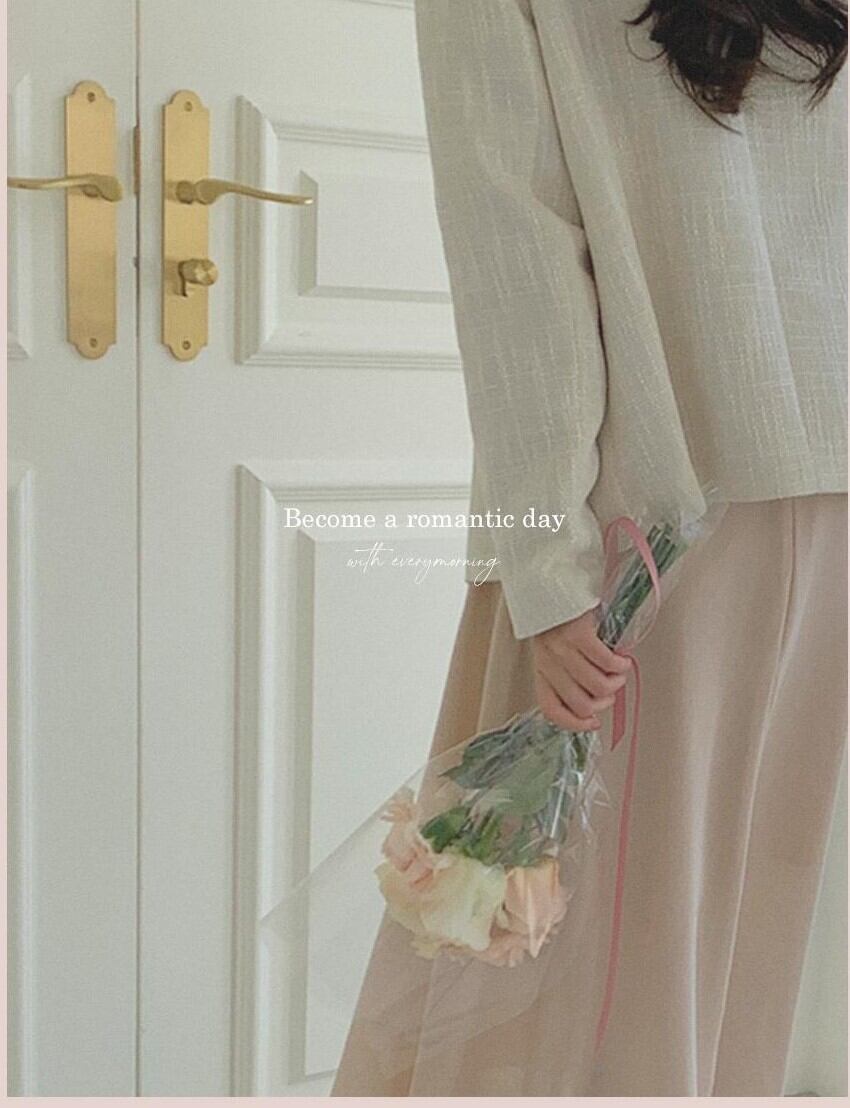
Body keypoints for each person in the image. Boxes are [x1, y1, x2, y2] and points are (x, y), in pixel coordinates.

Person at [331, 0, 848, 1095]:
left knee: (563, 972)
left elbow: (520, 267)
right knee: (745, 956)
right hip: (820, 490)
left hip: (642, 521)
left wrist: (548, 565)